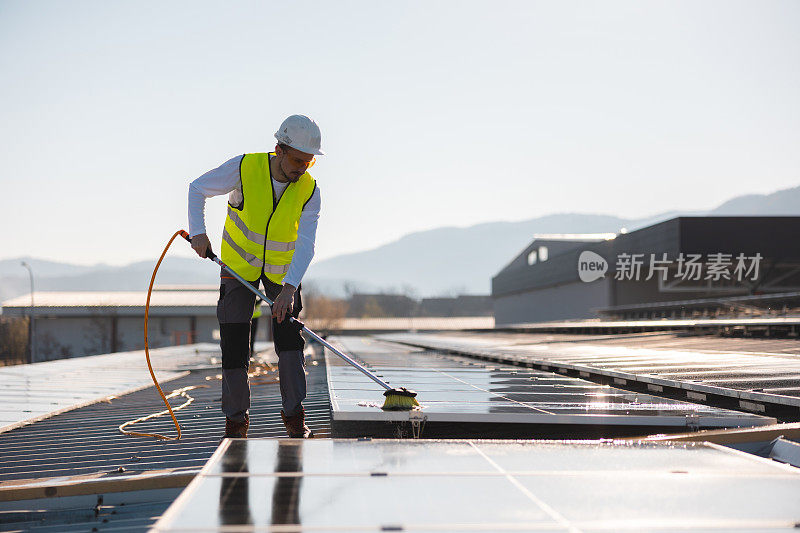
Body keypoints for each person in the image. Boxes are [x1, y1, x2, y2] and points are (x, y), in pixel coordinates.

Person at [187, 114, 323, 438]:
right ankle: (236, 423)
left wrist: (289, 289)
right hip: (237, 268)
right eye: (297, 160)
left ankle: (294, 417)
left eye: (309, 162)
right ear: (279, 149)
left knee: (290, 342)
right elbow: (197, 189)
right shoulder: (244, 168)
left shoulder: (309, 191)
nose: (302, 168)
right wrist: (198, 233)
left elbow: (306, 245)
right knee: (235, 344)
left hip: (282, 273)